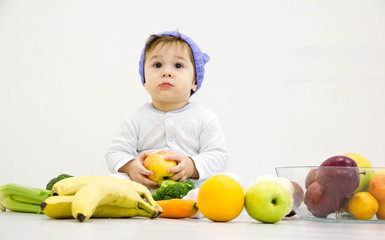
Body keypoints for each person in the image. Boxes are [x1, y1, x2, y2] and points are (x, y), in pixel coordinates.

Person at [105, 31, 228, 189]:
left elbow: (219, 156)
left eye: (178, 65)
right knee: (115, 180)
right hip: (145, 188)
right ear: (144, 80)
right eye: (157, 65)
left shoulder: (204, 118)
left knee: (231, 180)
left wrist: (191, 166)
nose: (166, 72)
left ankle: (194, 202)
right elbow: (115, 153)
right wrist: (130, 166)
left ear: (195, 81)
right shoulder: (134, 119)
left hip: (191, 187)